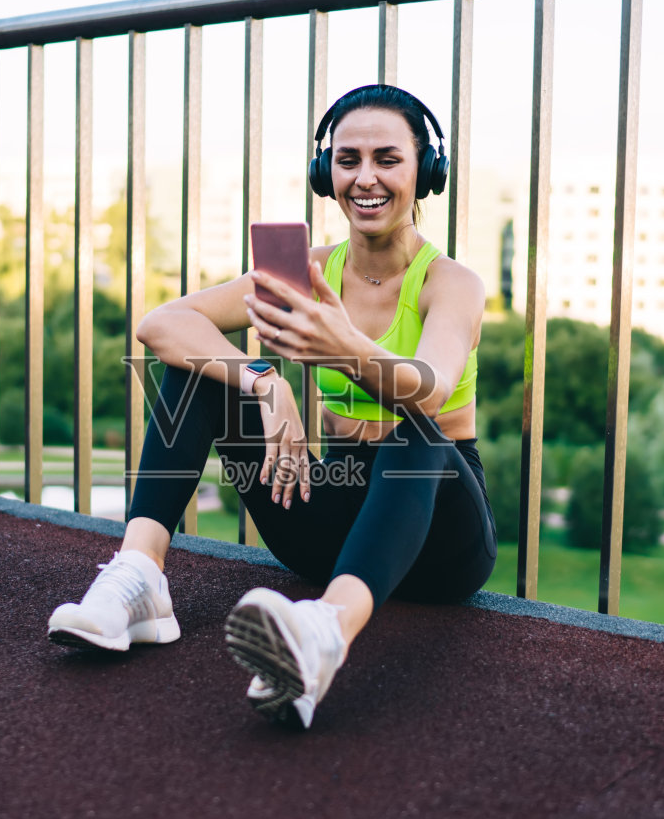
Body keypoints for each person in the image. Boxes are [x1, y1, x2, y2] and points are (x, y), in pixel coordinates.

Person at [47, 84, 495, 728]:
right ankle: (140, 577)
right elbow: (162, 324)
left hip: (441, 540)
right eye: (347, 160)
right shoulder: (306, 273)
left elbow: (429, 386)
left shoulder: (451, 283)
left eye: (388, 159)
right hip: (330, 519)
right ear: (325, 172)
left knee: (417, 431)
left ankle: (324, 632)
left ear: (426, 170)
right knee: (202, 373)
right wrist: (264, 380)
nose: (365, 178)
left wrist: (343, 347)